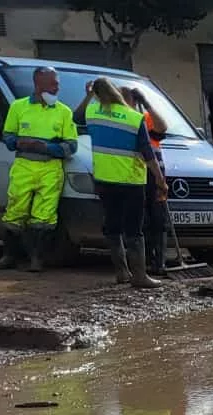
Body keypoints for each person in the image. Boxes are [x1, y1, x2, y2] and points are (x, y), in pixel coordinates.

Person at [0, 66, 78, 272]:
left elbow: (71, 146)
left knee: (45, 216)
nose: (57, 87)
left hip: (50, 167)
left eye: (57, 83)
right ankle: (9, 256)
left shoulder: (64, 112)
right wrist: (20, 142)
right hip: (24, 165)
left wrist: (46, 147)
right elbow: (8, 137)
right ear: (38, 83)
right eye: (53, 83)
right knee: (14, 211)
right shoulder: (18, 107)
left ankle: (37, 259)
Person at [77, 77, 157, 288]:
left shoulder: (93, 112)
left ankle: (122, 272)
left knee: (112, 226)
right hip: (131, 181)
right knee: (134, 229)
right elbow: (148, 153)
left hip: (105, 180)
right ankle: (140, 276)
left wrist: (88, 95)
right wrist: (159, 179)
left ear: (98, 94)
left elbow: (76, 117)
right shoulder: (133, 117)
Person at [124, 87, 170, 276]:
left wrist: (148, 104)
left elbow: (162, 128)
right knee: (141, 221)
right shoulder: (120, 121)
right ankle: (144, 262)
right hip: (134, 175)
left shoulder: (145, 119)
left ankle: (159, 263)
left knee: (159, 219)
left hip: (155, 173)